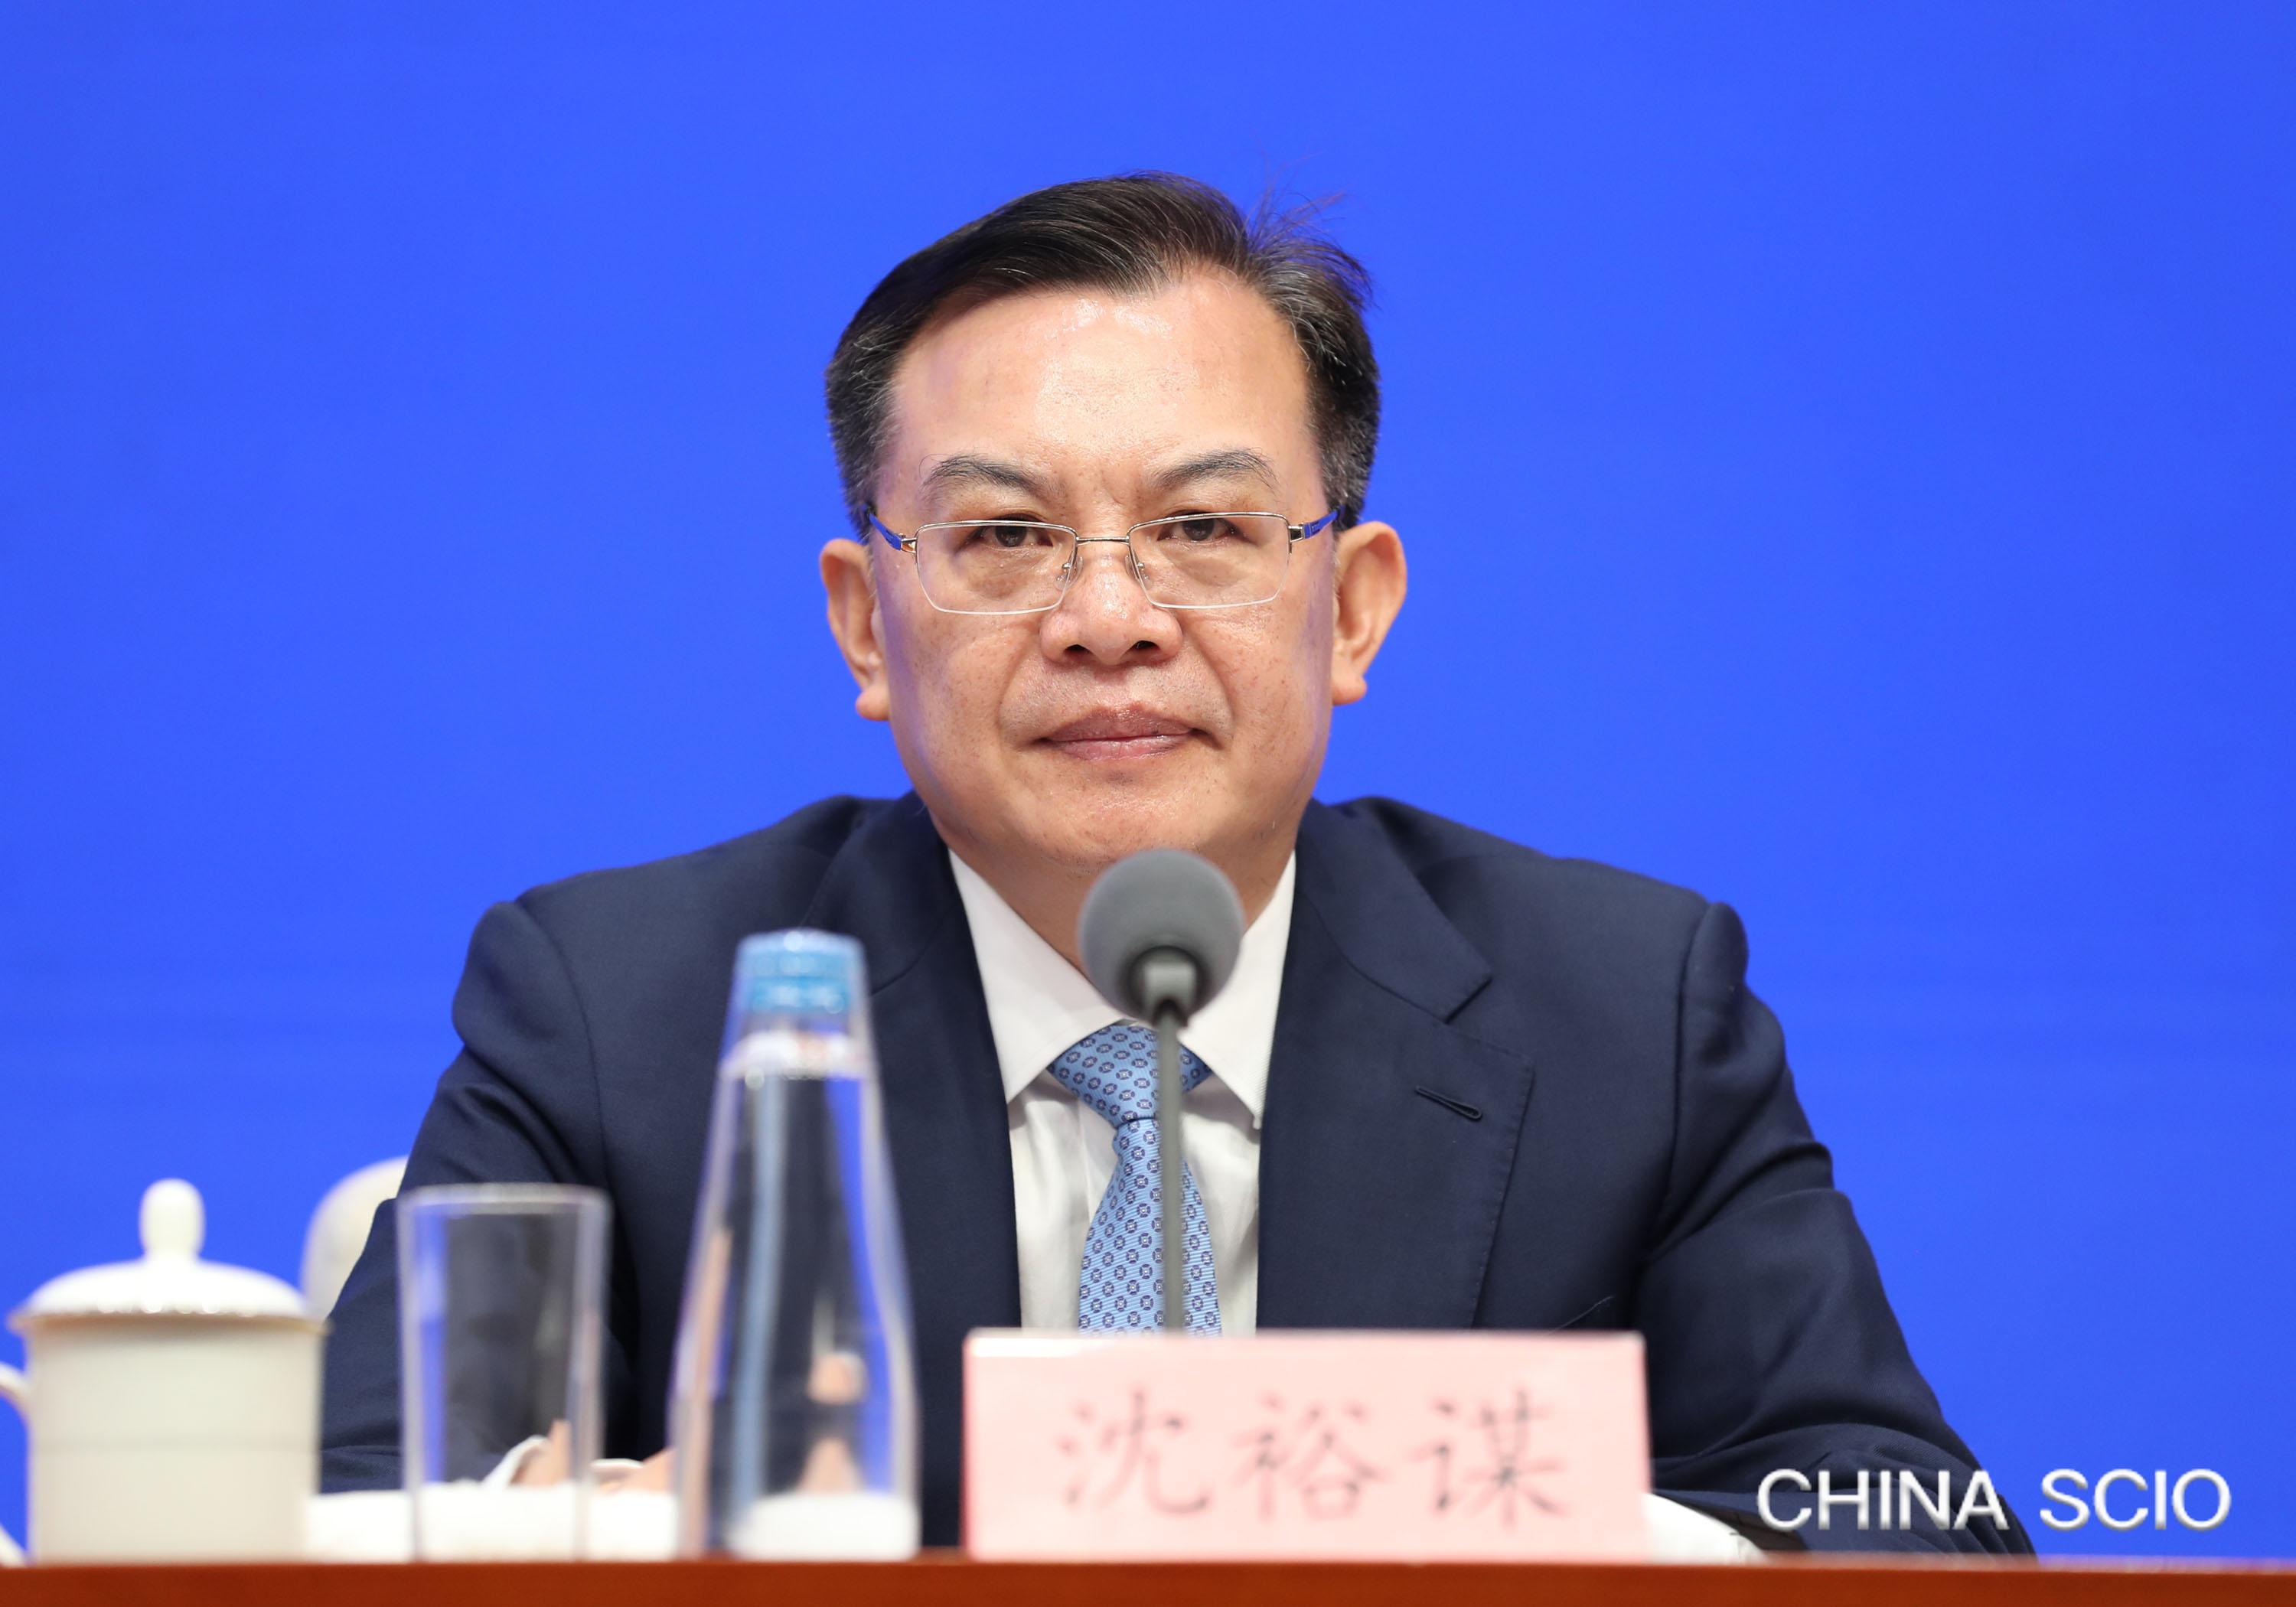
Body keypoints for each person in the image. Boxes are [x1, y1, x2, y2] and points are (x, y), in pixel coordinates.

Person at [320, 173, 2026, 1555]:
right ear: (863, 626)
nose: (1109, 619)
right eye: (1005, 536)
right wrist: (572, 1533)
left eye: (1203, 529)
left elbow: (1912, 1530)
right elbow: (346, 1513)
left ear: (1352, 609)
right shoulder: (623, 1010)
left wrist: (1546, 1524)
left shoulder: (1622, 1011)